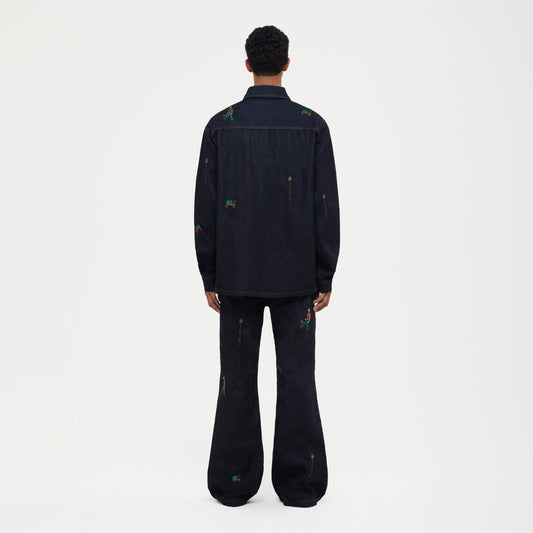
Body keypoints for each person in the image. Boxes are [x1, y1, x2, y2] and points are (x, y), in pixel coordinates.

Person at [193, 25, 340, 507]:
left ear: (247, 64)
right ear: (287, 63)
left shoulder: (221, 125)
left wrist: (209, 274)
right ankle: (300, 486)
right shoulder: (312, 125)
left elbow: (206, 206)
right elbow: (324, 204)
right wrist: (325, 273)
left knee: (235, 378)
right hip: (297, 278)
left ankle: (233, 484)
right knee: (297, 377)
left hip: (236, 276)